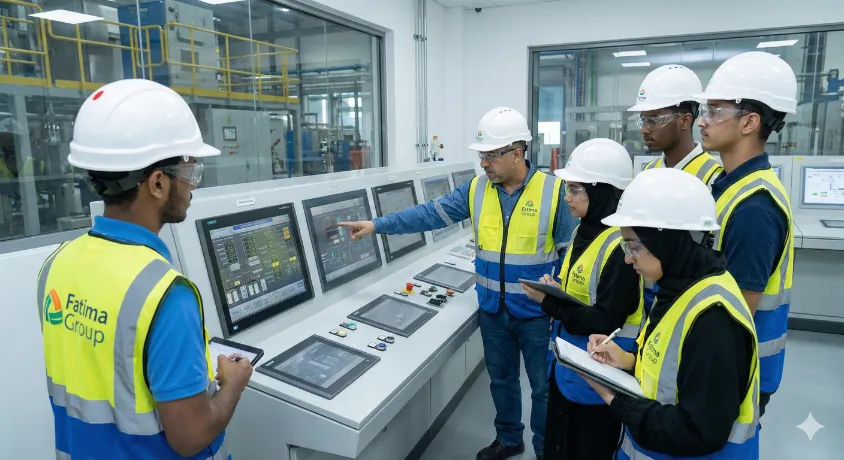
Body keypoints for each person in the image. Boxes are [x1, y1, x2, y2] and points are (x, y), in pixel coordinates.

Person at [340, 107, 577, 460]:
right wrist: (377, 225)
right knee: (502, 381)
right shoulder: (476, 189)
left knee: (543, 389)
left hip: (537, 314)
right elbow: (427, 215)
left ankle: (546, 450)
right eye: (481, 155)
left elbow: (571, 255)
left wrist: (562, 302)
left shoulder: (555, 193)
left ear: (517, 152)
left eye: (491, 155)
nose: (484, 163)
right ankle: (509, 438)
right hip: (493, 310)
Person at [36, 79, 253, 459]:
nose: (192, 188)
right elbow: (190, 436)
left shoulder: (55, 265)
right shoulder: (165, 296)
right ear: (156, 183)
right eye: (190, 174)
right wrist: (233, 383)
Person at [585, 167, 760, 459]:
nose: (628, 259)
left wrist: (614, 398)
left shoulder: (714, 321)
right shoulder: (679, 285)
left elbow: (698, 431)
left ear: (666, 241)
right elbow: (672, 374)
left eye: (634, 246)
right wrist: (628, 361)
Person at [520, 138, 643, 460]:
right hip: (570, 365)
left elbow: (606, 319)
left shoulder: (621, 248)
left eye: (575, 189)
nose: (567, 197)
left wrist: (547, 303)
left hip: (599, 376)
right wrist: (555, 286)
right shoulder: (583, 232)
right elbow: (581, 288)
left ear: (602, 191)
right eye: (567, 188)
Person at [695, 51, 796, 417]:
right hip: (716, 359)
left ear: (750, 122)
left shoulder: (756, 207)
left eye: (715, 111)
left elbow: (737, 313)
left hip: (733, 369)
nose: (702, 122)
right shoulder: (723, 184)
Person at [628, 64, 724, 316]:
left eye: (654, 119)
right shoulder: (647, 173)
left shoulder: (714, 178)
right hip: (647, 301)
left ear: (685, 120)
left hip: (691, 305)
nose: (644, 128)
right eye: (642, 119)